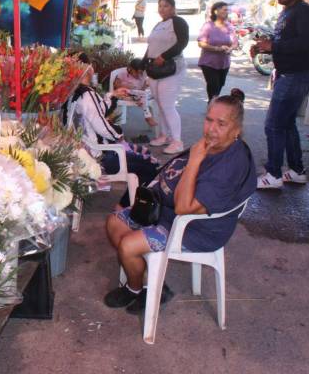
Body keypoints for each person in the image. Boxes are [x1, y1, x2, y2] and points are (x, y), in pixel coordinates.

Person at [103, 89, 256, 313]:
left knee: (128, 245)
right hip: (167, 211)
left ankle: (135, 286)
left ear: (237, 130)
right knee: (114, 223)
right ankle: (146, 285)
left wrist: (194, 160)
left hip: (195, 228)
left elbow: (185, 209)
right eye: (209, 120)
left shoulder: (229, 166)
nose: (211, 129)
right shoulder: (215, 146)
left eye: (221, 124)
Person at [62, 53, 160, 208]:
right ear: (87, 68)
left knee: (143, 158)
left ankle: (126, 204)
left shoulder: (75, 91)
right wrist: (119, 135)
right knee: (151, 166)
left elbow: (96, 112)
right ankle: (125, 207)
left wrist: (112, 95)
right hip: (102, 156)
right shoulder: (87, 94)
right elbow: (102, 127)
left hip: (88, 151)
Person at [255, 0, 309, 189]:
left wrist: (274, 45)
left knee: (273, 125)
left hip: (296, 76)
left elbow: (304, 44)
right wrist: (267, 44)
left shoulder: (304, 12)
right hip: (288, 74)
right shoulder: (286, 12)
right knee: (287, 124)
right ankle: (297, 171)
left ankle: (273, 174)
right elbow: (285, 40)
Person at [146, 0, 189, 155]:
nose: (162, 9)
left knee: (167, 104)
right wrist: (143, 63)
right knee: (159, 104)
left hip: (171, 68)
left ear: (172, 7)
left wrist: (163, 56)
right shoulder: (159, 24)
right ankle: (164, 135)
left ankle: (177, 141)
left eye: (165, 6)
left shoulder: (178, 22)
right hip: (155, 70)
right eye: (160, 6)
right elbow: (151, 46)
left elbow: (182, 42)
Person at [198, 2, 237, 102]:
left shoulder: (229, 26)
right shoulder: (208, 26)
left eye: (227, 10)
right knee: (213, 84)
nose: (226, 12)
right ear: (216, 11)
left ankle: (213, 101)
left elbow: (235, 43)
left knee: (220, 84)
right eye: (224, 9)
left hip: (224, 63)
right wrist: (217, 49)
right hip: (208, 63)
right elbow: (201, 43)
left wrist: (230, 48)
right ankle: (212, 104)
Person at [112, 58, 157, 127]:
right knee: (142, 95)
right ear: (131, 69)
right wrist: (125, 85)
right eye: (137, 72)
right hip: (126, 95)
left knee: (150, 94)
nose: (139, 75)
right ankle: (147, 116)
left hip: (139, 95)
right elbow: (116, 85)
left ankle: (141, 101)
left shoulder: (142, 76)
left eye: (141, 72)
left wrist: (145, 85)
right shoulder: (123, 74)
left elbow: (142, 90)